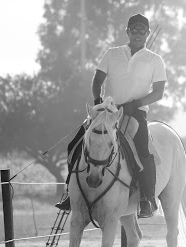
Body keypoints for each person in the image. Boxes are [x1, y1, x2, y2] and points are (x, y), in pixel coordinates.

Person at [56, 13, 167, 218]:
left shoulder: (155, 60)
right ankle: (70, 195)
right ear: (127, 31)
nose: (138, 34)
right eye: (134, 29)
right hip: (108, 112)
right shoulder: (112, 53)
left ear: (147, 33)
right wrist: (98, 101)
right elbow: (97, 79)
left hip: (136, 113)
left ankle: (147, 199)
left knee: (143, 151)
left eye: (142, 31)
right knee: (76, 143)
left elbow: (159, 92)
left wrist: (137, 104)